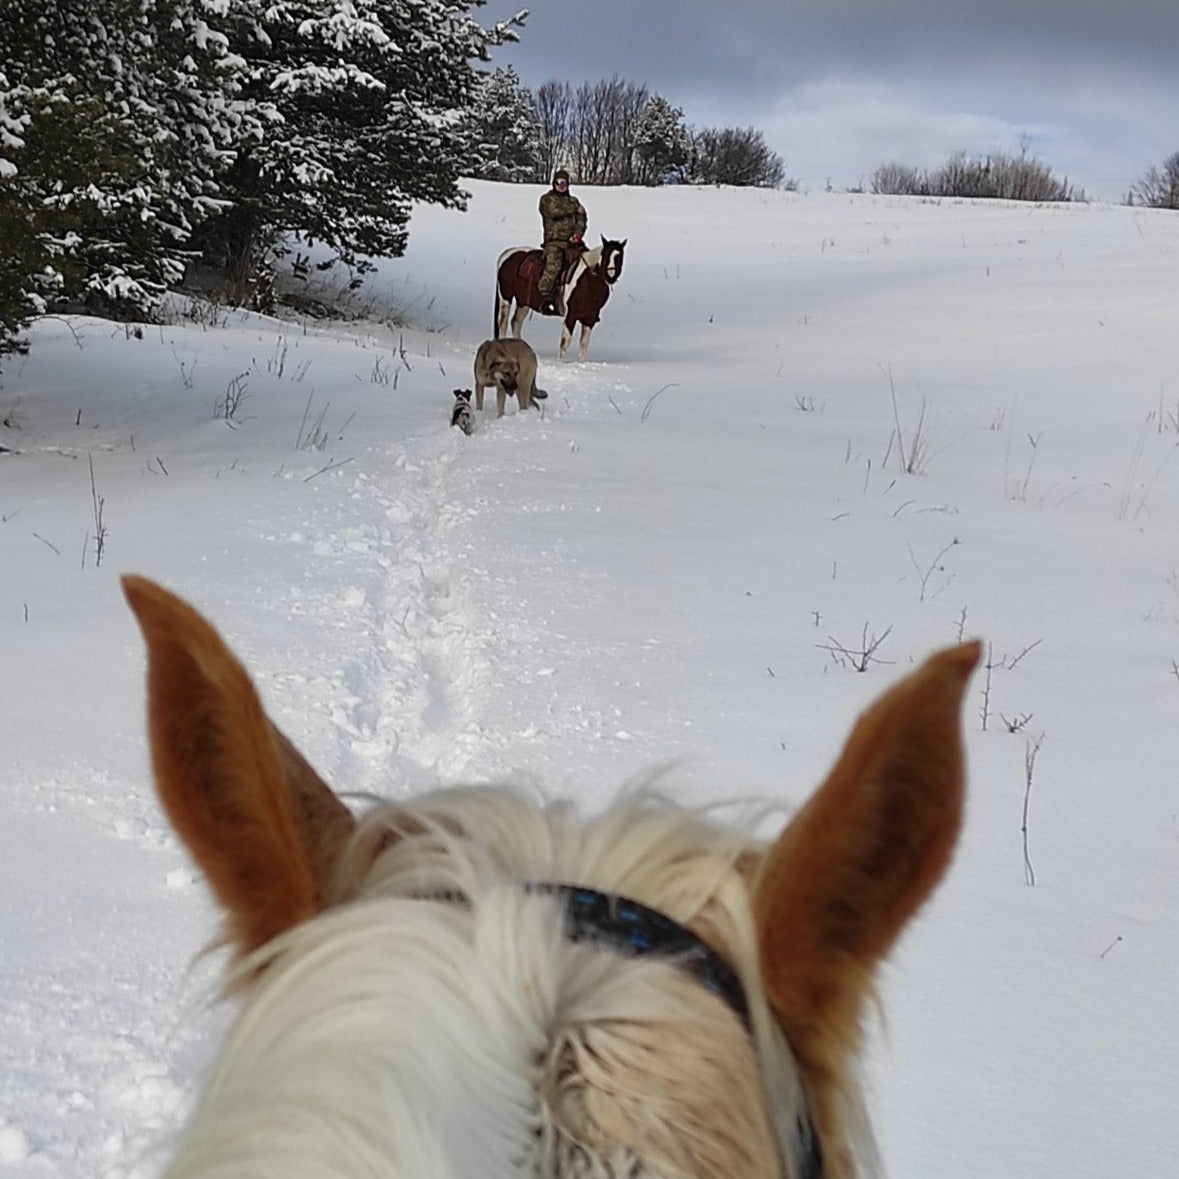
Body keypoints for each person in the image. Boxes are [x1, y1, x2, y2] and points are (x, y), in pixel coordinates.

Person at [537, 168, 587, 315]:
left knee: (587, 263)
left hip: (572, 243)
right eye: (558, 183)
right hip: (554, 242)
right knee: (554, 266)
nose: (561, 186)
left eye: (563, 183)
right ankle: (545, 297)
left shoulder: (573, 200)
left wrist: (578, 234)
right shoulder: (547, 200)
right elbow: (553, 211)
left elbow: (582, 219)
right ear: (553, 184)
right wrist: (575, 208)